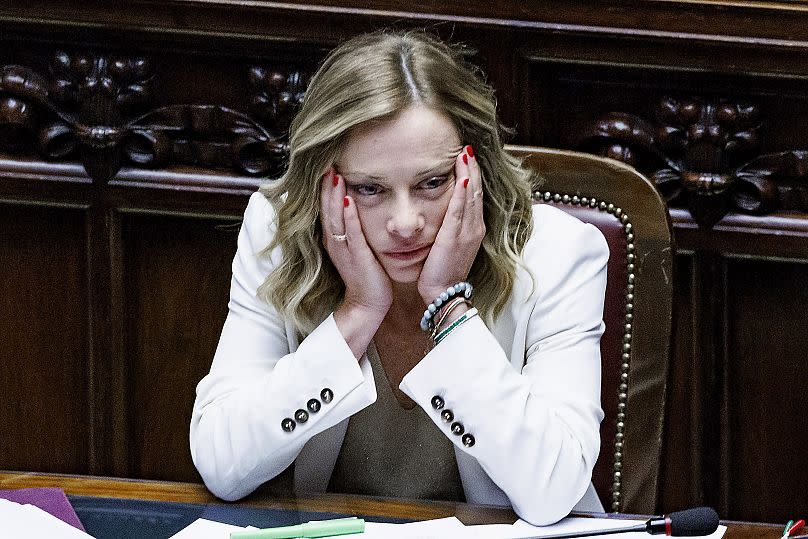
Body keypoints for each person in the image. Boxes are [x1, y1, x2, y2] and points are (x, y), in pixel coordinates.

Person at [190, 30, 608, 526]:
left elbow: (553, 489)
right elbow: (221, 463)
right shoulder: (279, 233)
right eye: (370, 189)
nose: (405, 222)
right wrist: (358, 314)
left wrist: (448, 307)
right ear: (326, 183)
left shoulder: (558, 254)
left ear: (476, 172)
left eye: (432, 183)